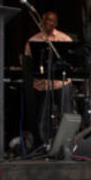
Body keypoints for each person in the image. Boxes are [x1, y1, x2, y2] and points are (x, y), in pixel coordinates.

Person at [24, 10, 74, 147]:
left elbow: (71, 62)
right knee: (42, 118)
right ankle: (43, 145)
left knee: (65, 115)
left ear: (56, 23)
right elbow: (28, 64)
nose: (47, 22)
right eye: (45, 19)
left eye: (51, 20)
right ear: (41, 22)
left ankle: (66, 146)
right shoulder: (33, 41)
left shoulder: (64, 39)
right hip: (42, 84)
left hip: (60, 83)